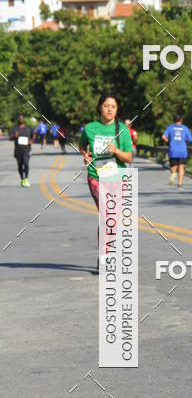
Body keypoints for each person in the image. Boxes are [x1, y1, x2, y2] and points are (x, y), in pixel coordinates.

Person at [79, 93, 133, 270]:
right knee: (106, 215)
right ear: (100, 107)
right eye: (106, 105)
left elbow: (129, 158)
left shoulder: (123, 130)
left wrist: (116, 151)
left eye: (113, 106)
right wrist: (84, 155)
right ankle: (105, 256)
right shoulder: (90, 128)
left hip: (118, 178)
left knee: (112, 219)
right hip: (97, 177)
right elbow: (82, 145)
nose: (109, 109)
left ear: (117, 110)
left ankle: (105, 254)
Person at [162, 115, 192, 188]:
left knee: (173, 167)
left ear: (173, 120)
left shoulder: (170, 127)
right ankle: (179, 184)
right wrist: (184, 140)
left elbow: (163, 137)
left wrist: (169, 141)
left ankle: (173, 174)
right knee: (181, 167)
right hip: (182, 150)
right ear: (181, 120)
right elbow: (190, 139)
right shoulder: (185, 128)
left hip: (173, 150)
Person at [9, 115, 35, 186]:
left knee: (26, 163)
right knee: (20, 165)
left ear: (23, 119)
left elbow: (34, 135)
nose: (21, 119)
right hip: (18, 150)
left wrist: (31, 141)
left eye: (22, 118)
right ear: (18, 119)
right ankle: (22, 179)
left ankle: (26, 178)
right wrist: (15, 136)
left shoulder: (28, 128)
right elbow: (10, 138)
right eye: (19, 118)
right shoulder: (14, 128)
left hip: (27, 149)